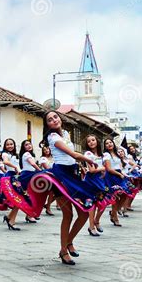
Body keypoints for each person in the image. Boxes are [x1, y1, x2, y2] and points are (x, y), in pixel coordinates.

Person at [42, 111, 99, 265]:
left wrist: (81, 166)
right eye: (50, 120)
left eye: (55, 117)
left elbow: (72, 158)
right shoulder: (52, 137)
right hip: (60, 176)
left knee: (84, 213)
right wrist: (88, 160)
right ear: (47, 125)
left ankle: (68, 242)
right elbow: (73, 154)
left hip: (73, 174)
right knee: (68, 215)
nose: (54, 120)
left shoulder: (66, 133)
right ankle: (64, 250)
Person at [83, 134, 108, 236]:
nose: (91, 142)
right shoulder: (88, 154)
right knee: (91, 204)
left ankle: (96, 221)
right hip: (91, 181)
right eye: (89, 141)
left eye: (93, 140)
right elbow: (92, 170)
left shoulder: (102, 155)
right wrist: (103, 169)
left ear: (97, 141)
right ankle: (91, 226)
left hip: (100, 181)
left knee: (104, 202)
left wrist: (104, 171)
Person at [38, 145, 55, 216]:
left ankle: (48, 207)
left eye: (47, 149)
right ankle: (39, 207)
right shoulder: (43, 158)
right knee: (44, 194)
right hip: (46, 178)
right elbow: (47, 168)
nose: (46, 150)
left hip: (54, 177)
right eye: (44, 150)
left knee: (53, 193)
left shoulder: (54, 157)